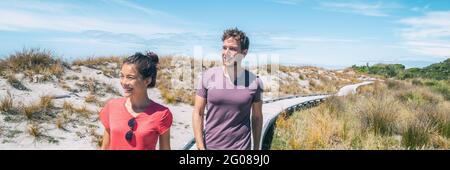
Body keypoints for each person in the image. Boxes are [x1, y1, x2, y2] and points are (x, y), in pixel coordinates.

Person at [192, 28, 263, 150]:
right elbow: (198, 113)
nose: (226, 52)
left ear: (244, 53)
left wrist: (256, 148)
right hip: (211, 147)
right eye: (224, 48)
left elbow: (257, 117)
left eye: (233, 49)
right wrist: (200, 146)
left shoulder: (255, 82)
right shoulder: (207, 76)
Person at [100, 52, 172, 150]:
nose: (124, 82)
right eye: (122, 76)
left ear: (147, 81)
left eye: (130, 77)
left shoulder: (162, 114)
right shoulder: (111, 107)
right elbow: (105, 147)